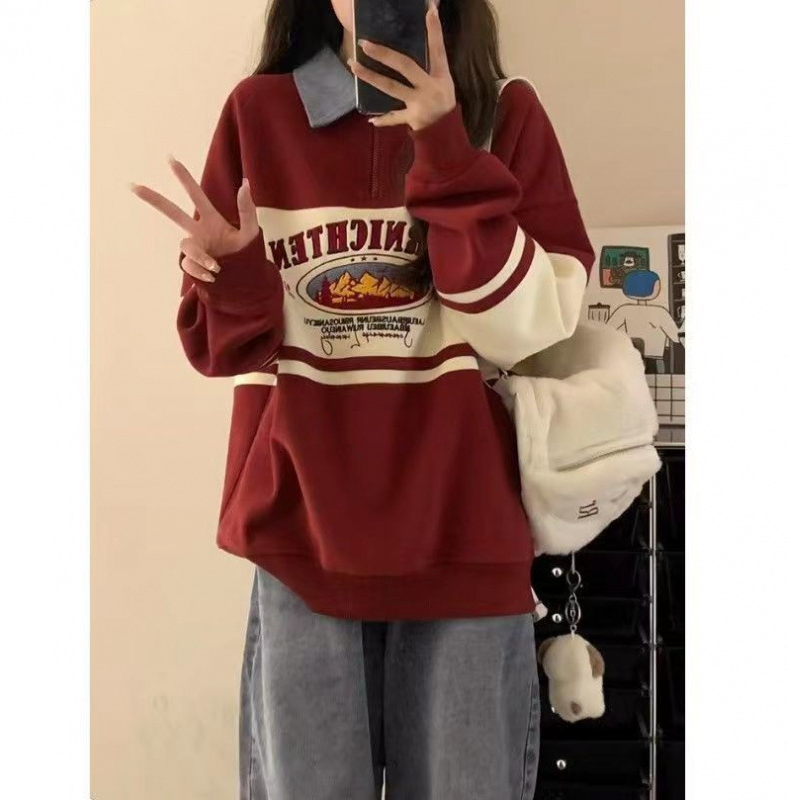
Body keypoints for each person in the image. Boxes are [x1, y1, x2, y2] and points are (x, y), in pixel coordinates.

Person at [131, 0, 594, 796]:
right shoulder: (259, 112)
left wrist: (446, 148)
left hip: (466, 533)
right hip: (303, 531)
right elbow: (222, 349)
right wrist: (233, 277)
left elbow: (532, 331)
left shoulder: (506, 113)